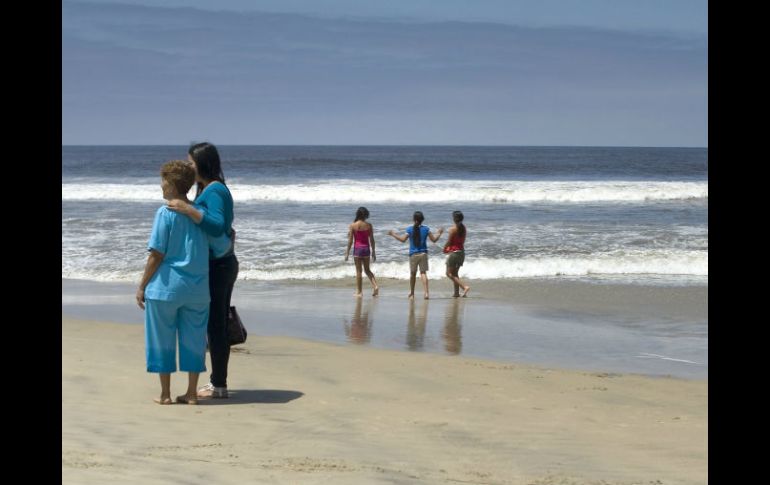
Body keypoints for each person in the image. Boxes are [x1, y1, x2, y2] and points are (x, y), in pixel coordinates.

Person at [136, 160, 210, 405]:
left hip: (165, 288)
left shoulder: (165, 212)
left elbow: (157, 254)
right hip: (197, 289)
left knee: (161, 339)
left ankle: (165, 394)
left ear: (173, 183)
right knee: (194, 340)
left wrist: (141, 285)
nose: (161, 185)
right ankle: (191, 393)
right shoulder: (200, 214)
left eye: (164, 180)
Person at [168, 142, 238, 399]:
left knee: (216, 325)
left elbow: (218, 226)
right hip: (218, 264)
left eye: (191, 162)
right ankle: (217, 381)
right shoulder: (207, 190)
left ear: (203, 163)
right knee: (213, 323)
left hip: (219, 266)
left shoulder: (216, 189)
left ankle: (218, 384)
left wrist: (188, 209)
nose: (188, 166)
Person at [388, 211, 443, 299]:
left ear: (414, 219)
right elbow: (434, 240)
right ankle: (426, 293)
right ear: (422, 220)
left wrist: (393, 234)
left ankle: (412, 293)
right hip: (423, 253)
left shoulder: (409, 229)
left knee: (413, 274)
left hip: (413, 254)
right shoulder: (426, 229)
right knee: (423, 273)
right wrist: (439, 233)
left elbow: (402, 240)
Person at [344, 206, 379, 297]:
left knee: (359, 271)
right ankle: (375, 286)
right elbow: (372, 240)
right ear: (366, 215)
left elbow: (350, 241)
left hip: (358, 250)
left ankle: (359, 292)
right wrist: (373, 252)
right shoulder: (369, 225)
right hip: (366, 250)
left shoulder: (353, 225)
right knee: (367, 270)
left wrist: (347, 252)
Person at [443, 210, 471, 297]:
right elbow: (461, 241)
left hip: (454, 253)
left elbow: (449, 242)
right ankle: (456, 293)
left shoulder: (453, 229)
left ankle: (464, 287)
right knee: (455, 274)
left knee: (449, 274)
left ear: (455, 218)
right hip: (461, 252)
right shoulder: (464, 228)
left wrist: (444, 248)